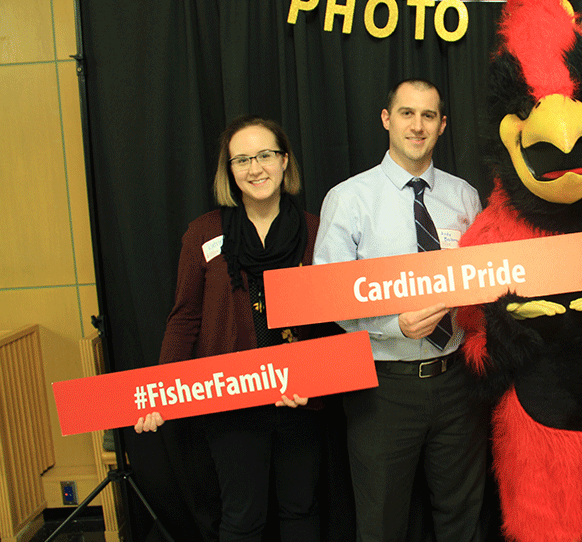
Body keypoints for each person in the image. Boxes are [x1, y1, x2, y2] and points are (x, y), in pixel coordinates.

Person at [135, 116, 324, 542]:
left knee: (301, 510)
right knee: (242, 518)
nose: (255, 168)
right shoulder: (203, 233)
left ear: (284, 161)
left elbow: (335, 319)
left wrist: (320, 378)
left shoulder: (315, 230)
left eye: (265, 155)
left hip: (299, 397)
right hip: (231, 400)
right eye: (242, 159)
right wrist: (162, 389)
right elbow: (185, 319)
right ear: (230, 170)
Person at [313, 78, 486, 542]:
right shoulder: (348, 199)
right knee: (383, 523)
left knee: (461, 517)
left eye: (428, 115)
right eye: (407, 113)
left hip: (458, 384)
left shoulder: (465, 197)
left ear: (443, 125)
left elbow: (484, 276)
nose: (417, 125)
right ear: (387, 119)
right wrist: (395, 325)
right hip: (383, 390)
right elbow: (328, 296)